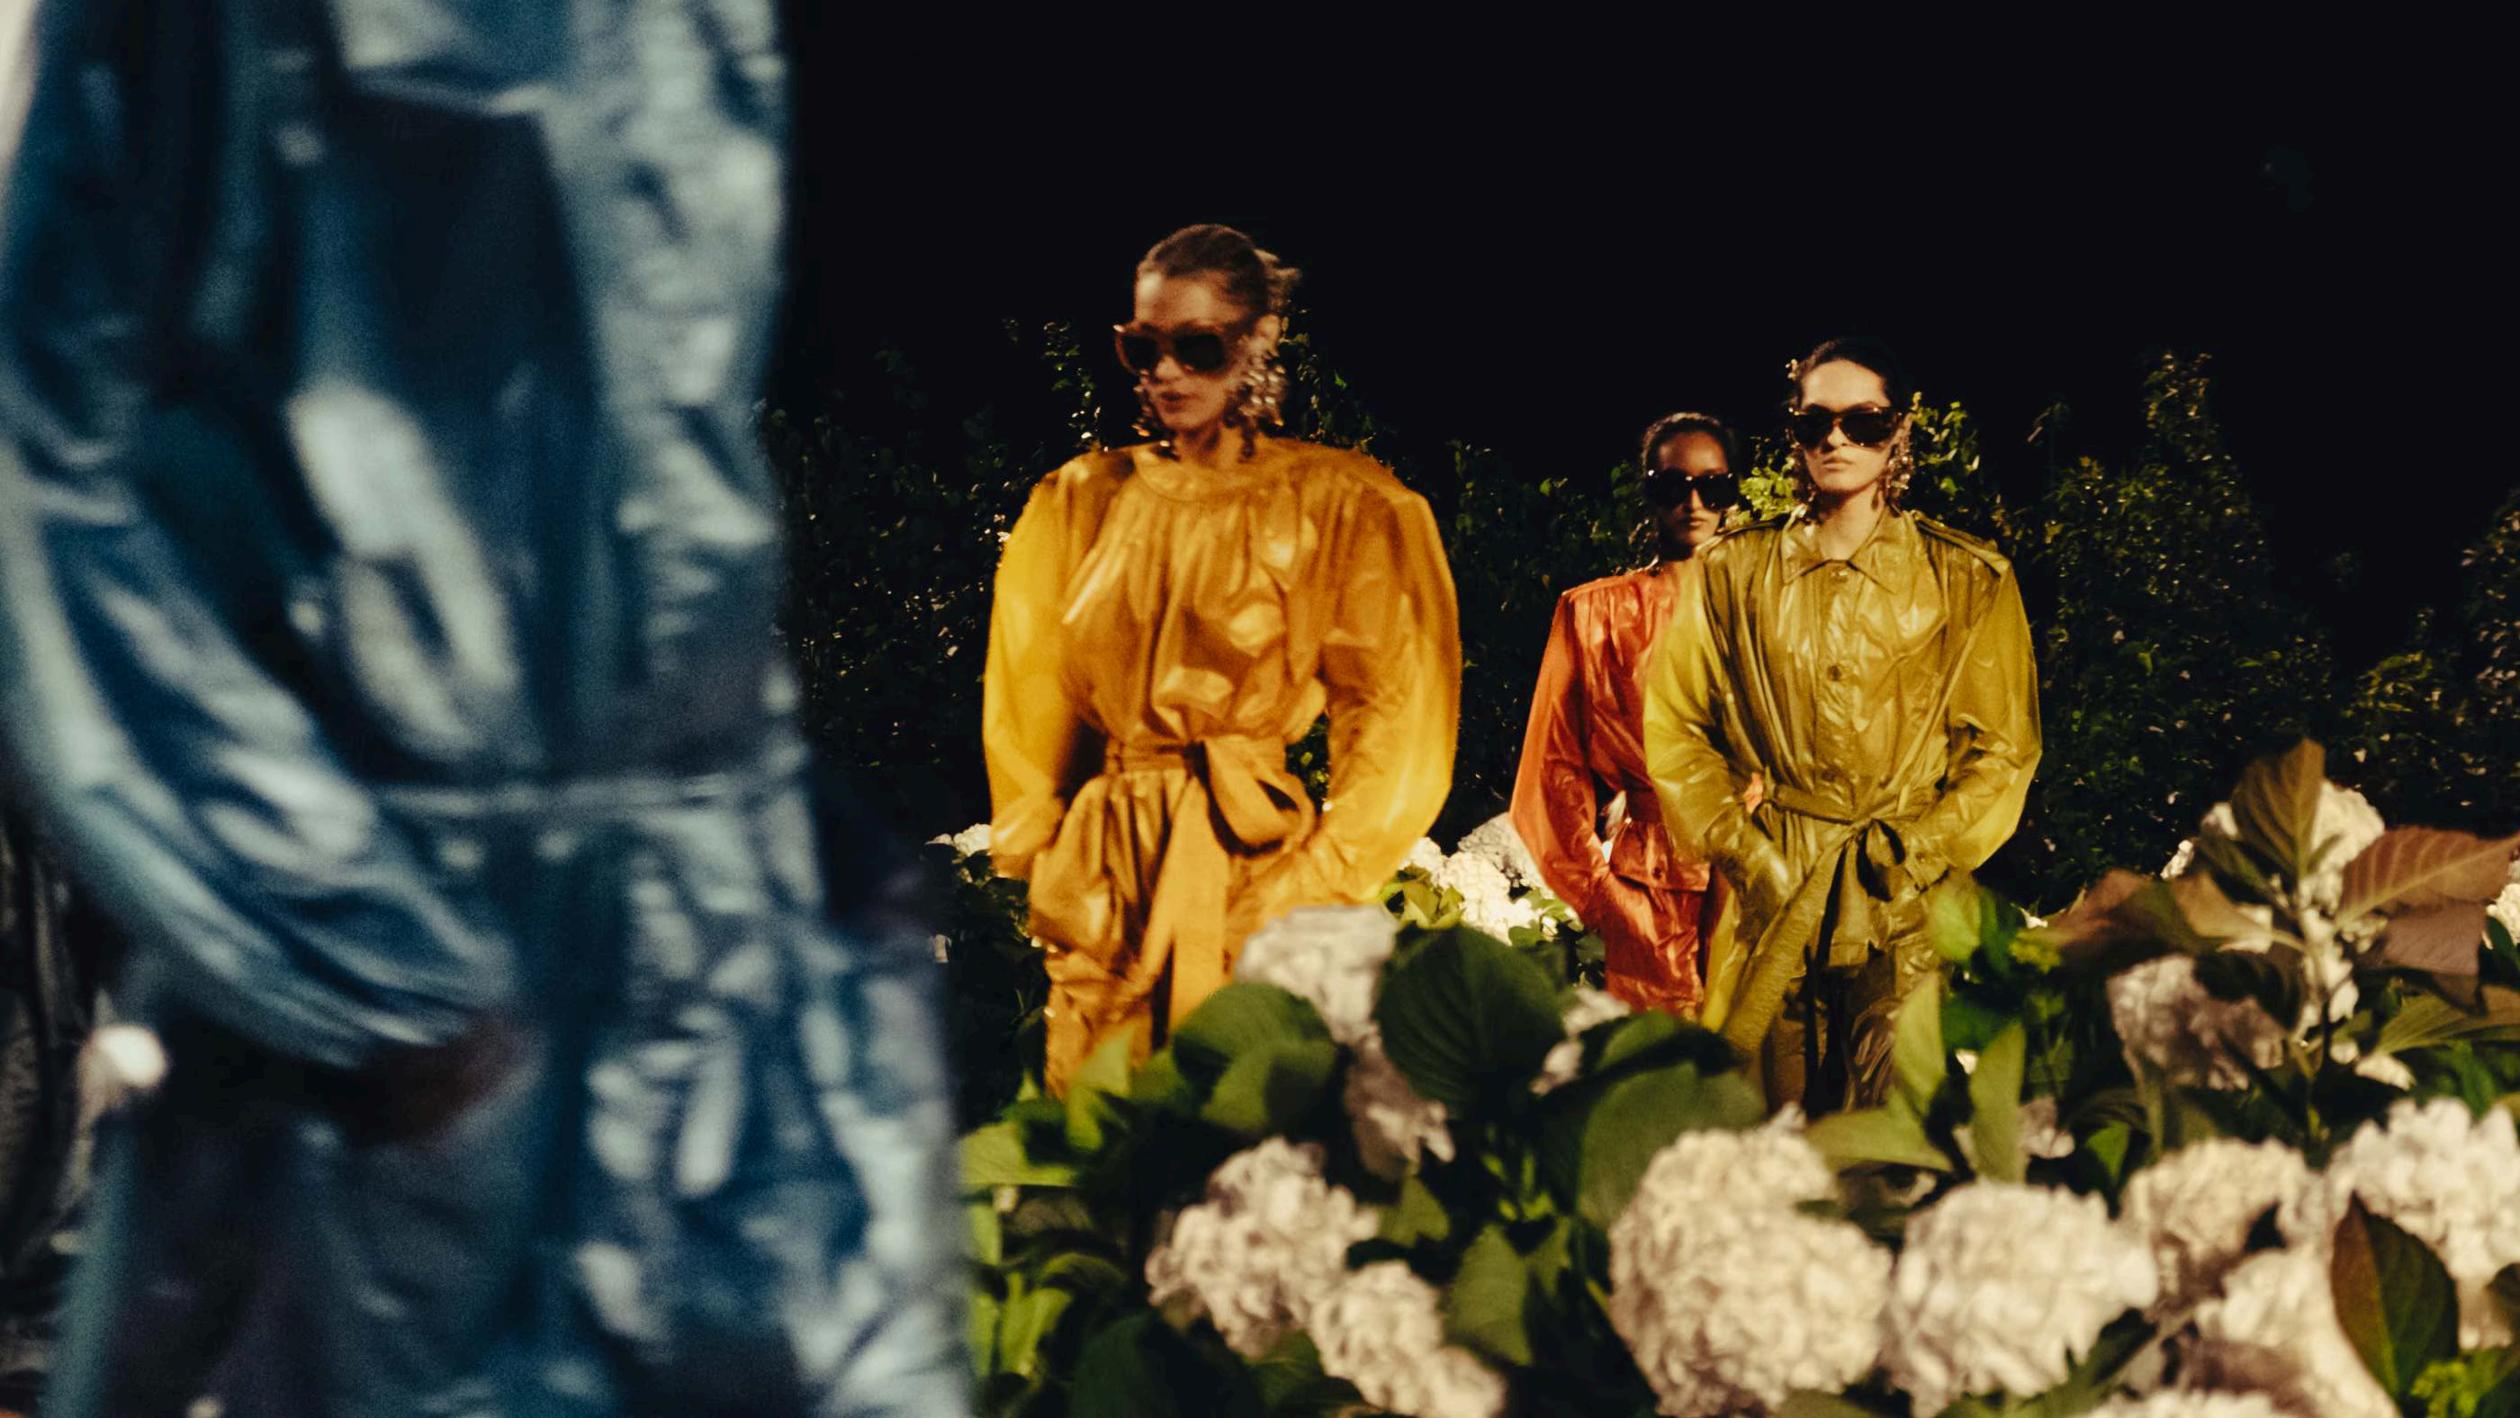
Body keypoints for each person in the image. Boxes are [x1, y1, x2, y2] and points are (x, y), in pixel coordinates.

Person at [0, 4, 965, 1413]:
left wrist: (821, 867)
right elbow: (44, 458)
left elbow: (662, 451)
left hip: (717, 963)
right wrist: (365, 967)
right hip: (418, 979)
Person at [985, 224, 1460, 1094]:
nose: (1164, 372)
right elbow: (1031, 699)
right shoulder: (1082, 501)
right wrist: (1049, 856)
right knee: (1099, 1137)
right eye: (1142, 347)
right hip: (1109, 880)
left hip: (1251, 860)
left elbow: (1398, 713)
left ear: (1257, 341)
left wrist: (1316, 878)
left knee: (1243, 1126)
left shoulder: (1340, 505)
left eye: (1196, 346)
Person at [1644, 337, 2039, 1112]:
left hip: (1902, 900)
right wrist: (1749, 855)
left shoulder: (1965, 578)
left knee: (1895, 1127)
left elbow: (2003, 749)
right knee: (1772, 1132)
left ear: (1899, 429)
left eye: (1863, 421)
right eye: (1814, 422)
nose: (1836, 439)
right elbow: (1678, 725)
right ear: (1793, 431)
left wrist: (1918, 851)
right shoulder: (1732, 573)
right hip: (1777, 892)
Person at [1511, 412, 1747, 1015]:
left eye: (1713, 486)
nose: (1694, 503)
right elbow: (1552, 767)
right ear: (1649, 492)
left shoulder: (1772, 613)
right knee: (1655, 1065)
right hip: (1648, 891)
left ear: (1732, 492)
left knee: (1759, 1065)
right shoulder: (1595, 614)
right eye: (1673, 486)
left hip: (1761, 881)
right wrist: (1599, 894)